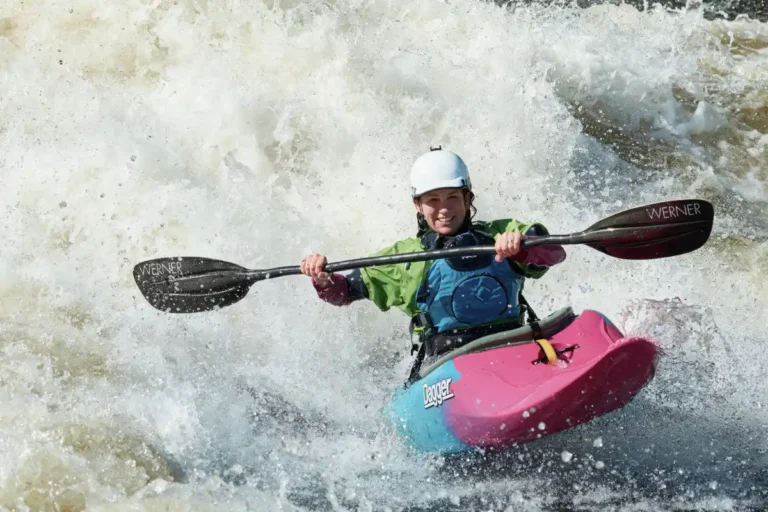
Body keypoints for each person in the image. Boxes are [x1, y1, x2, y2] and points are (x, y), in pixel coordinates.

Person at [300, 148, 566, 380]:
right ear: (418, 204)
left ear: (468, 198)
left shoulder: (502, 233)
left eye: (452, 197)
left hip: (512, 344)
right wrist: (324, 280)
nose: (444, 209)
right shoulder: (404, 258)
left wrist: (521, 247)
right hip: (444, 367)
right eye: (433, 200)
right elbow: (345, 292)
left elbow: (553, 253)